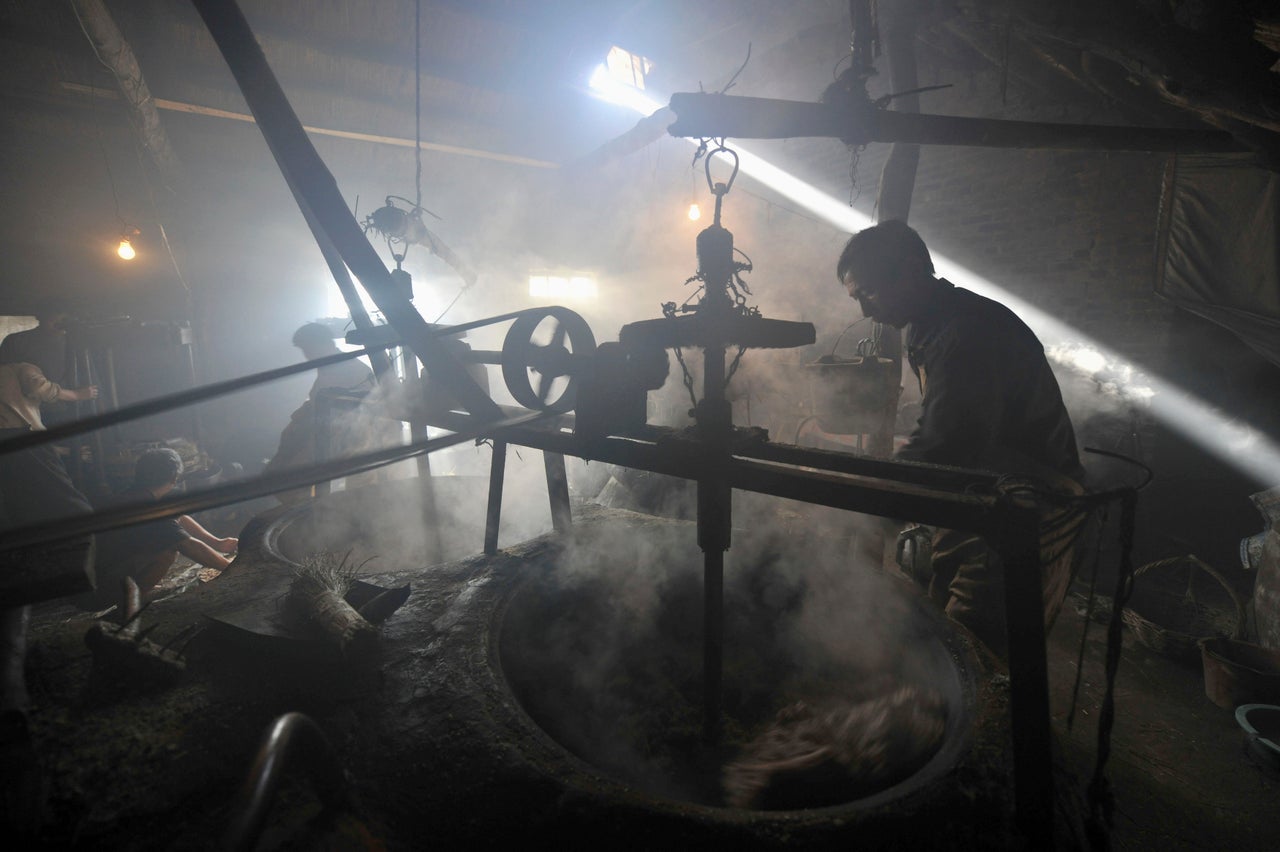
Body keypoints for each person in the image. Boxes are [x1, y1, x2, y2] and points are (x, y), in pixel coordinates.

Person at [836, 219, 1086, 656]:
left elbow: (946, 443)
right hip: (979, 492)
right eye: (858, 299)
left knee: (981, 651)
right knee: (945, 635)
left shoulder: (967, 332)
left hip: (1030, 504)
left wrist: (871, 510)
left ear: (912, 270)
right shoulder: (930, 325)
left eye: (869, 293)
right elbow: (951, 420)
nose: (865, 312)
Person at [0, 359, 97, 790]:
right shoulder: (18, 366)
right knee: (74, 512)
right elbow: (42, 392)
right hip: (19, 442)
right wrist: (83, 395)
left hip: (18, 446)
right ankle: (83, 568)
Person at [88, 448, 238, 614]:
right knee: (168, 552)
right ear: (174, 478)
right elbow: (191, 547)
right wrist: (232, 567)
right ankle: (128, 602)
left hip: (93, 576)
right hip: (98, 590)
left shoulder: (135, 494)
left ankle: (137, 585)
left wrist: (217, 543)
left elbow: (180, 516)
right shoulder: (147, 509)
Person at [264, 323, 380, 501]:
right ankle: (311, 511)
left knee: (359, 492)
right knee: (281, 476)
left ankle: (316, 515)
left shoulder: (354, 369)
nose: (307, 355)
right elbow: (317, 399)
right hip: (325, 431)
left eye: (308, 349)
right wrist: (299, 420)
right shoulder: (327, 365)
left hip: (350, 435)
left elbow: (361, 411)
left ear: (322, 344)